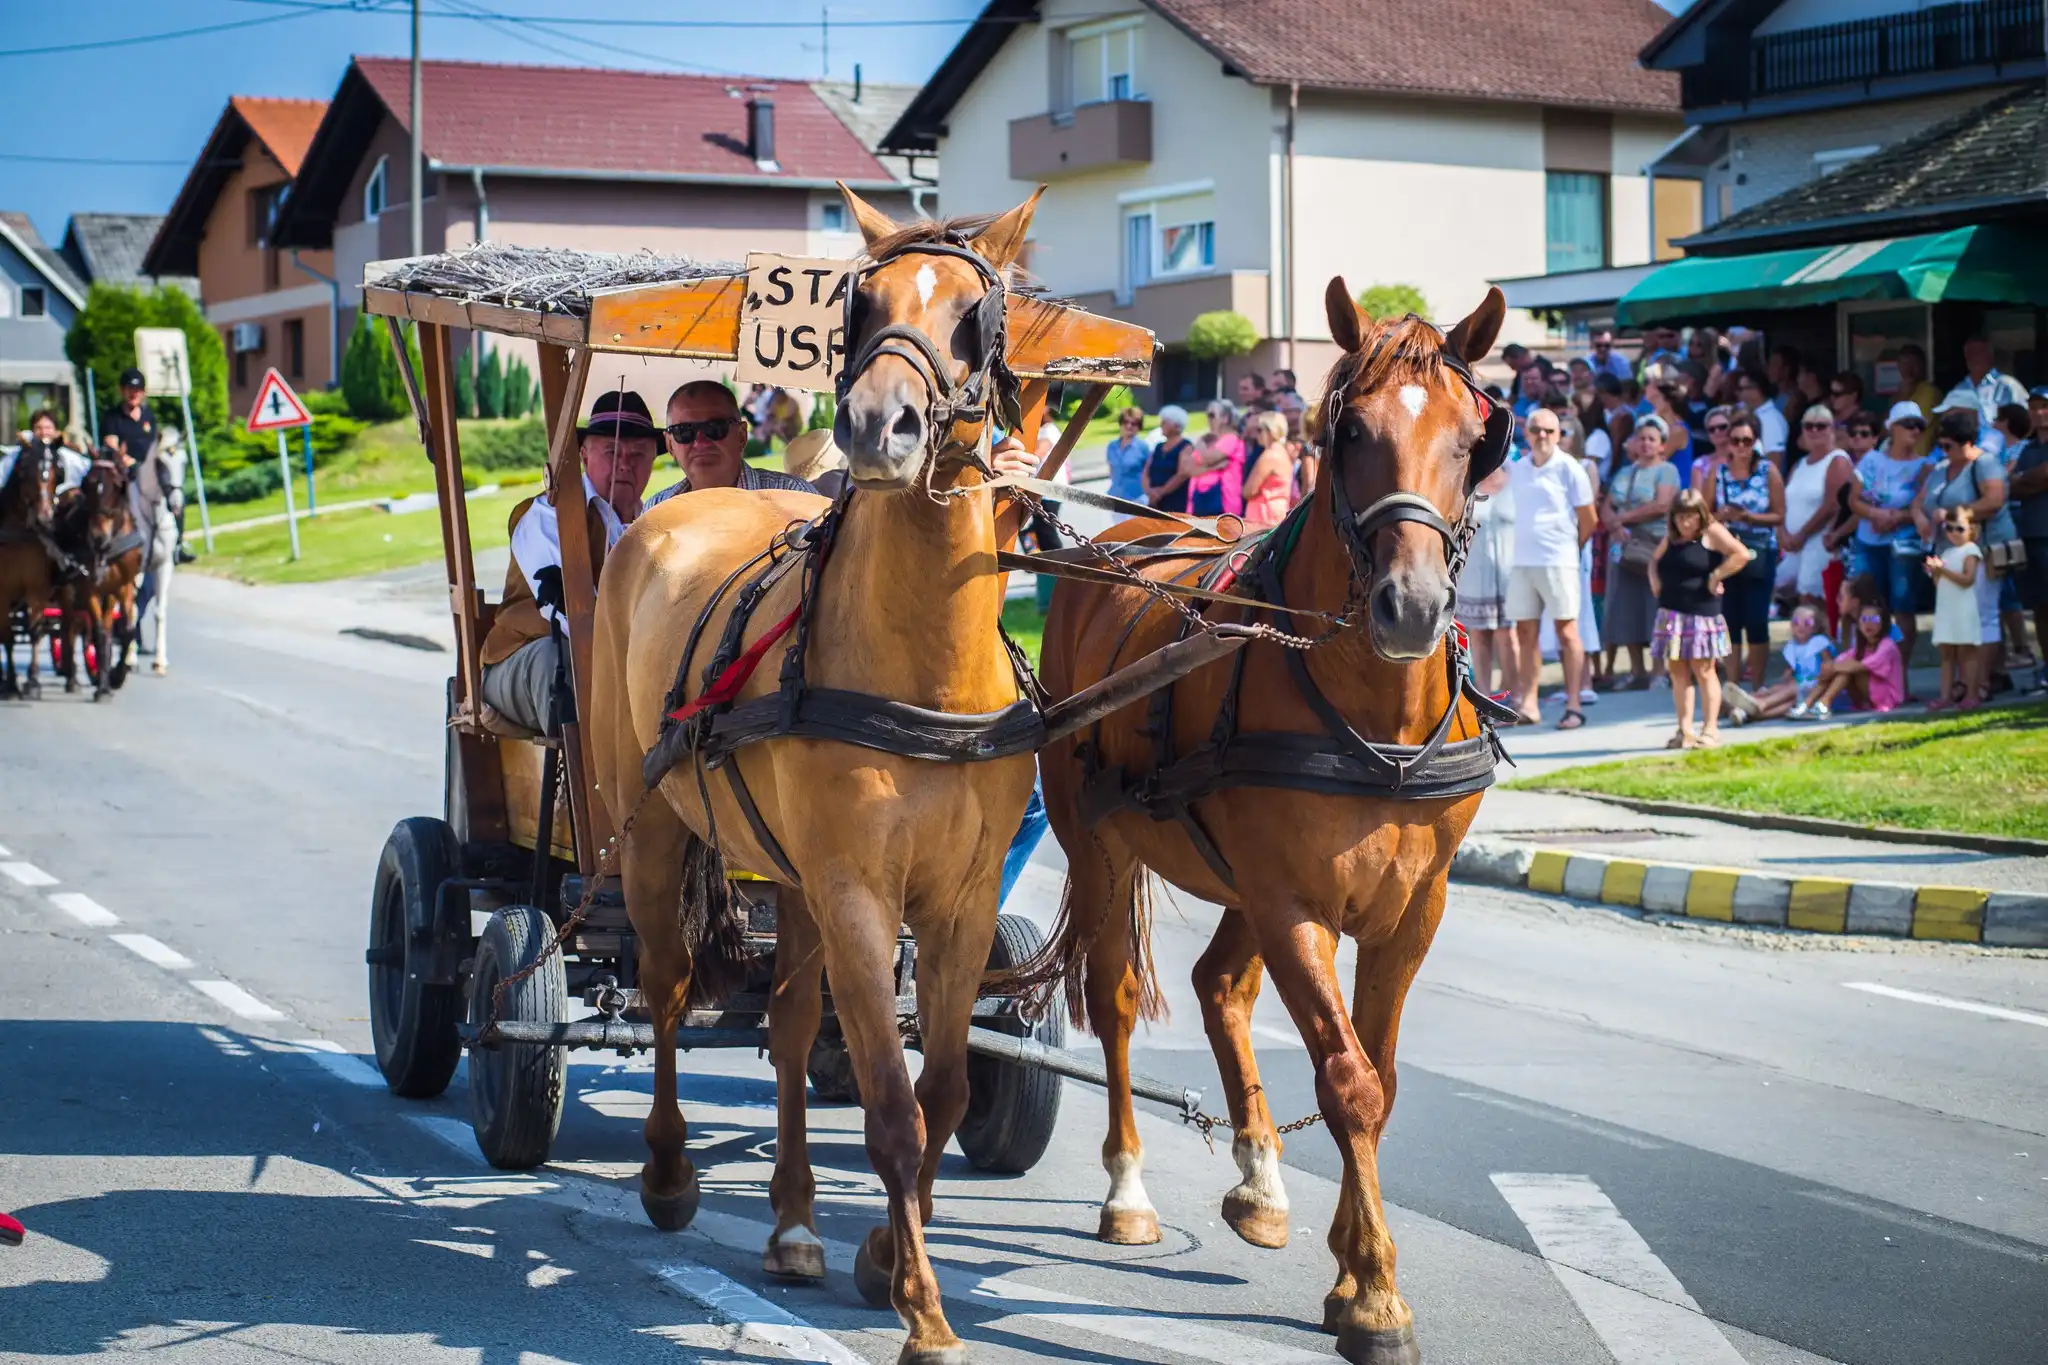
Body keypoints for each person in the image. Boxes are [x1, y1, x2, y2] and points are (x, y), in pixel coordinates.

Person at [1914, 406, 2013, 705]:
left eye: (1948, 445)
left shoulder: (1985, 464)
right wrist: (1920, 517)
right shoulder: (1941, 469)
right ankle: (1960, 683)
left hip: (1983, 549)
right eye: (1940, 445)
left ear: (1966, 441)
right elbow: (1919, 501)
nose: (1942, 451)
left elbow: (1994, 500)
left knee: (1983, 615)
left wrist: (1954, 514)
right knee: (1956, 618)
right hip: (1948, 552)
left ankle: (1980, 684)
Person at [1505, 408, 1595, 728]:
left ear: (1558, 435)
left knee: (1566, 631)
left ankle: (1574, 704)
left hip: (1559, 560)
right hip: (1522, 561)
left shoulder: (1570, 468)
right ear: (1526, 434)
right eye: (1535, 430)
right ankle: (1528, 702)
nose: (1542, 436)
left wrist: (1571, 548)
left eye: (1548, 431)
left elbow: (1589, 518)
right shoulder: (1517, 470)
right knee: (1524, 632)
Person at [1648, 488, 1752, 748]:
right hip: (1671, 611)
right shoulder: (1671, 537)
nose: (1685, 523)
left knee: (1704, 671)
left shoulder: (1711, 533)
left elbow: (1741, 554)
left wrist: (1716, 575)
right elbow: (1654, 561)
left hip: (1701, 613)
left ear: (1700, 515)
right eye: (1680, 517)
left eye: (1690, 517)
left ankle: (1710, 729)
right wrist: (1655, 581)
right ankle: (1684, 730)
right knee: (1678, 672)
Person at [1849, 400, 1932, 670]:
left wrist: (1898, 517)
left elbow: (1927, 506)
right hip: (1869, 542)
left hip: (1903, 543)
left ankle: (1899, 675)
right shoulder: (1871, 460)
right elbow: (1853, 500)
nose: (1914, 430)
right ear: (1892, 428)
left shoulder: (1925, 465)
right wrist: (1876, 515)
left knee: (1903, 607)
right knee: (1867, 606)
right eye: (1908, 424)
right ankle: (1868, 672)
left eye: (1918, 425)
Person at [1598, 417, 1679, 691]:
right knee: (1625, 606)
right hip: (1623, 548)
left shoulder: (1667, 470)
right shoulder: (1624, 472)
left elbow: (1662, 505)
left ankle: (1659, 670)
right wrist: (1613, 523)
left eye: (1651, 439)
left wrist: (1623, 520)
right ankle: (1636, 670)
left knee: (1654, 608)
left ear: (1662, 445)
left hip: (1653, 546)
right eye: (1641, 438)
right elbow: (1606, 505)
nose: (1645, 444)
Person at [1710, 411, 1785, 689]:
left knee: (1756, 620)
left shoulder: (1769, 471)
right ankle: (1732, 685)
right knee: (1730, 621)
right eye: (1735, 440)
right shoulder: (1718, 473)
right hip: (1728, 555)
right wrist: (1722, 516)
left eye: (1747, 440)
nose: (1741, 447)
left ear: (1755, 442)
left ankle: (1758, 685)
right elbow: (1705, 513)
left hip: (1760, 553)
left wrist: (1747, 517)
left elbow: (1780, 515)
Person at [1777, 405, 1853, 612]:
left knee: (1812, 600)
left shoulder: (1837, 460)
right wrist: (1783, 533)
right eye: (1809, 426)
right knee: (1779, 585)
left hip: (1821, 542)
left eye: (1821, 426)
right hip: (1793, 544)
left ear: (1832, 429)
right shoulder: (1799, 464)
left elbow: (1832, 505)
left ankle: (1822, 643)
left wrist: (1802, 534)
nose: (1815, 431)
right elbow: (1783, 503)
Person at [1459, 463, 1517, 697]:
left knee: (1507, 636)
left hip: (1509, 574)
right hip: (1474, 575)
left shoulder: (1515, 484)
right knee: (1479, 636)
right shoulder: (1468, 487)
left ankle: (1513, 695)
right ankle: (1483, 697)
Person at [2007, 387, 2048, 690]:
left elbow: (2038, 477)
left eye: (2044, 406)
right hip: (2032, 534)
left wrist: (2026, 480)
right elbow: (2012, 486)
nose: (2038, 412)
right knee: (2040, 606)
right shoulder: (2027, 448)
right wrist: (2028, 481)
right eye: (2034, 407)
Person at [1925, 506, 1986, 710]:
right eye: (1949, 528)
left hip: (1964, 609)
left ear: (1971, 529)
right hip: (1946, 610)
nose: (1953, 533)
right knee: (1946, 655)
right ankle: (1945, 696)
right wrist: (1934, 572)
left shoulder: (1971, 550)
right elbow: (1940, 583)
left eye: (1959, 528)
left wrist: (1942, 569)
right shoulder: (1948, 552)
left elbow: (1967, 579)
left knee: (1968, 653)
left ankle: (1972, 694)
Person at [1938, 337, 2029, 459]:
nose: (1973, 358)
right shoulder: (1959, 388)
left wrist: (2013, 452)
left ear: (1990, 356)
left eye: (1978, 353)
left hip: (2002, 455)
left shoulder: (2007, 385)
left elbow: (2026, 423)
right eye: (1969, 354)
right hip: (1964, 451)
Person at [1809, 602, 1907, 715]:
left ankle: (1823, 702)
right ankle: (1809, 703)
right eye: (1864, 619)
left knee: (1849, 669)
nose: (1868, 623)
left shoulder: (1888, 645)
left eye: (1874, 619)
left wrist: (1834, 667)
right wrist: (1830, 667)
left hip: (1887, 696)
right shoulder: (1861, 646)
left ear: (1883, 623)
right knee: (1844, 667)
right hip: (1868, 693)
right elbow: (1842, 659)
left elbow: (1865, 665)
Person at [0, 408, 92, 494]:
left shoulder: (69, 457)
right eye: (39, 428)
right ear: (32, 430)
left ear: (56, 431)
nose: (43, 432)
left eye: (48, 428)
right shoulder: (18, 455)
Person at [1184, 400, 1246, 517]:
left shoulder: (1231, 439)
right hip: (1199, 503)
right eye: (1207, 415)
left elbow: (1207, 459)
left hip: (1224, 506)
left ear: (1225, 418)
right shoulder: (1207, 441)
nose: (1208, 419)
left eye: (1212, 415)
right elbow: (1187, 469)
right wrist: (1212, 468)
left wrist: (1200, 445)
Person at [1240, 410, 1296, 530]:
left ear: (1271, 432)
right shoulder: (1283, 452)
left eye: (1260, 430)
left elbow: (1248, 491)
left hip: (1263, 515)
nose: (1257, 434)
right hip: (1278, 511)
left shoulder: (1269, 456)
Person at [1142, 405, 1194, 512]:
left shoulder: (1186, 446)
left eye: (1165, 421)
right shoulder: (1158, 447)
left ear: (1176, 426)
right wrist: (1149, 491)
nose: (1161, 424)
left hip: (1176, 503)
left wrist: (1161, 492)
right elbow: (1146, 471)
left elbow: (1182, 474)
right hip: (1154, 503)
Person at [1893, 344, 1943, 456]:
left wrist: (1904, 394)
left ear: (1922, 366)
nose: (1908, 370)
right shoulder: (1900, 392)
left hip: (1921, 459)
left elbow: (1909, 425)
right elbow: (1887, 429)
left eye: (1913, 364)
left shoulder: (1929, 392)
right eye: (1904, 364)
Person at [1102, 406, 1154, 503]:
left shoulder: (1143, 447)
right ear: (1120, 423)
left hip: (1137, 500)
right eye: (1125, 422)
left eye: (1133, 423)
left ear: (1139, 427)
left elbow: (1149, 475)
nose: (1129, 426)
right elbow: (1112, 471)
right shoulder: (1112, 446)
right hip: (1115, 499)